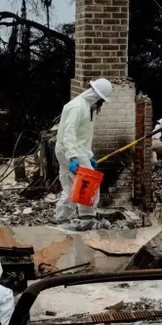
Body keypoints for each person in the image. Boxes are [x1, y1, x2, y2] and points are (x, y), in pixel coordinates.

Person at [54, 78, 113, 223]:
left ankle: (62, 220)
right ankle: (87, 218)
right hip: (71, 150)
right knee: (89, 184)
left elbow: (83, 137)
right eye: (102, 101)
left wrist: (89, 155)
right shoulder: (77, 107)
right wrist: (73, 157)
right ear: (97, 97)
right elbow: (69, 133)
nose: (102, 104)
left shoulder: (88, 107)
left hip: (71, 150)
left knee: (71, 188)